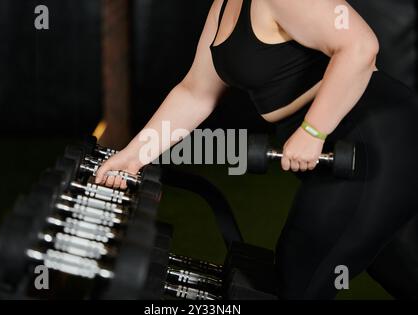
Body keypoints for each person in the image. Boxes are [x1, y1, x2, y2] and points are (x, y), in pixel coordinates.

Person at [95, 0, 418, 299]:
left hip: (376, 137)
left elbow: (360, 46)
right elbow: (196, 93)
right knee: (401, 267)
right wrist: (133, 156)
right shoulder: (224, 6)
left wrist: (313, 129)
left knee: (300, 273)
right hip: (345, 145)